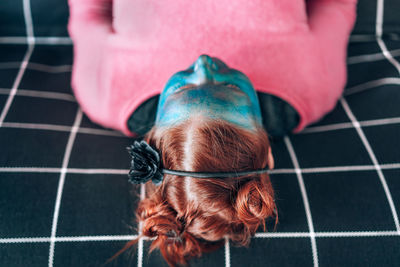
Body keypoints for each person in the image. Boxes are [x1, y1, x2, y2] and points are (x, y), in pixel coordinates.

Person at [68, 0, 357, 266]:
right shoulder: (312, 86)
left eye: (182, 89)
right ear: (267, 152)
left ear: (150, 142)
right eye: (231, 89)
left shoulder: (106, 91)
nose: (204, 63)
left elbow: (89, 12)